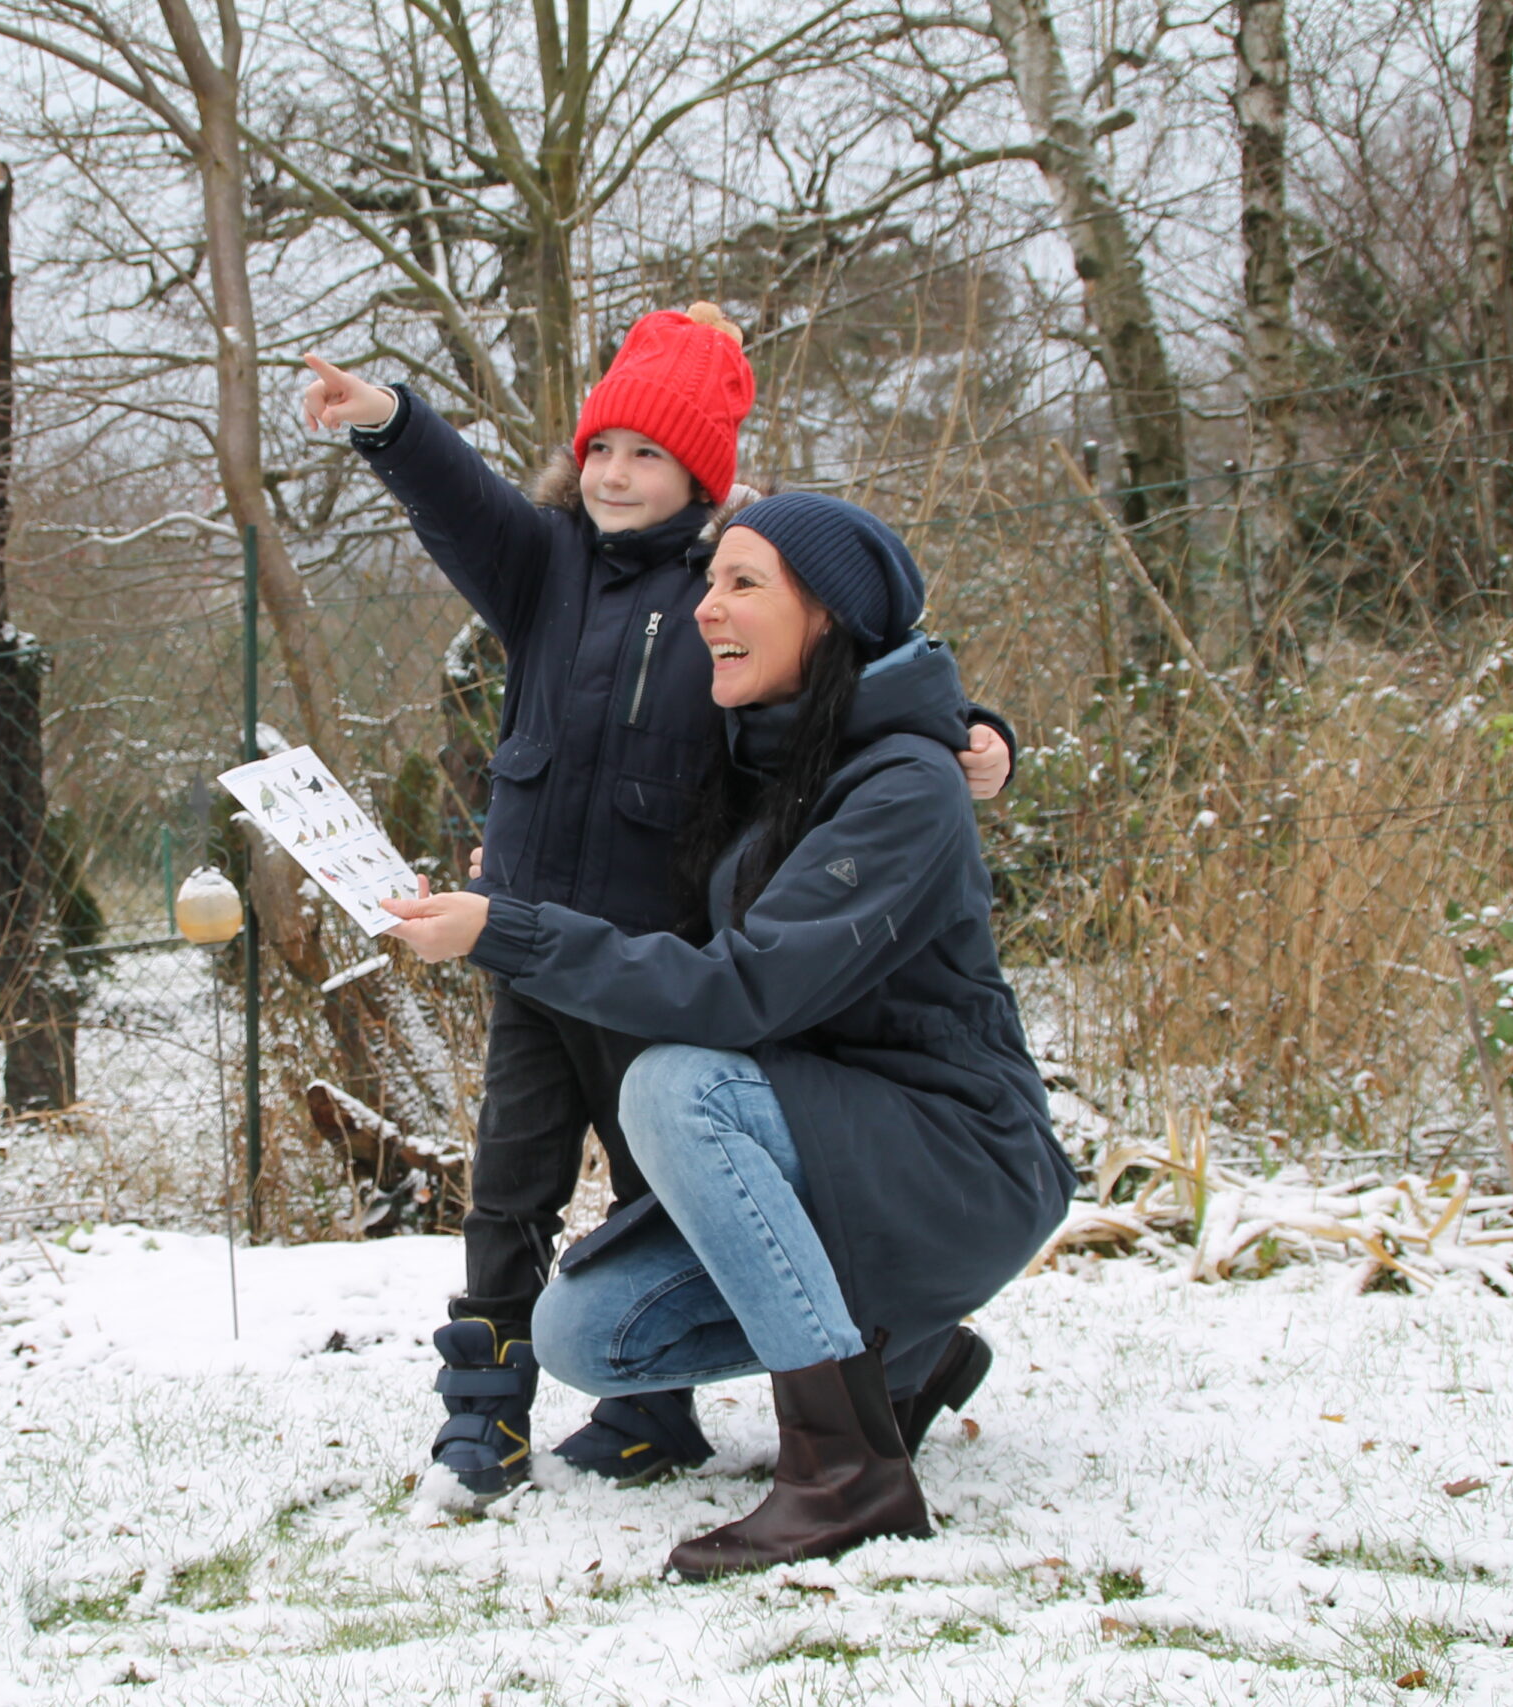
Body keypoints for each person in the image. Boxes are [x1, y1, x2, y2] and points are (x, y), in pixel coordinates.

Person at [304, 310, 1018, 1497]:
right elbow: (460, 501)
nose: (615, 473)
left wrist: (980, 733)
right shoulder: (544, 568)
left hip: (663, 956)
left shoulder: (730, 587)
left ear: (701, 472)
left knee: (658, 1182)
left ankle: (652, 1412)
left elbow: (859, 675)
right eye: (599, 449)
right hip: (527, 943)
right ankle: (481, 1416)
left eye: (647, 453)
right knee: (510, 1184)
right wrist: (386, 421)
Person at [381, 493, 1075, 1577]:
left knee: (674, 1086)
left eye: (742, 584)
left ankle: (847, 1474)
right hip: (829, 1153)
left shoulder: (902, 786)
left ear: (829, 619)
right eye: (709, 582)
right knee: (587, 1337)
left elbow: (743, 992)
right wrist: (501, 892)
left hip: (958, 1164)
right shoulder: (761, 753)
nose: (707, 607)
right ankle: (908, 1357)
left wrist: (510, 934)